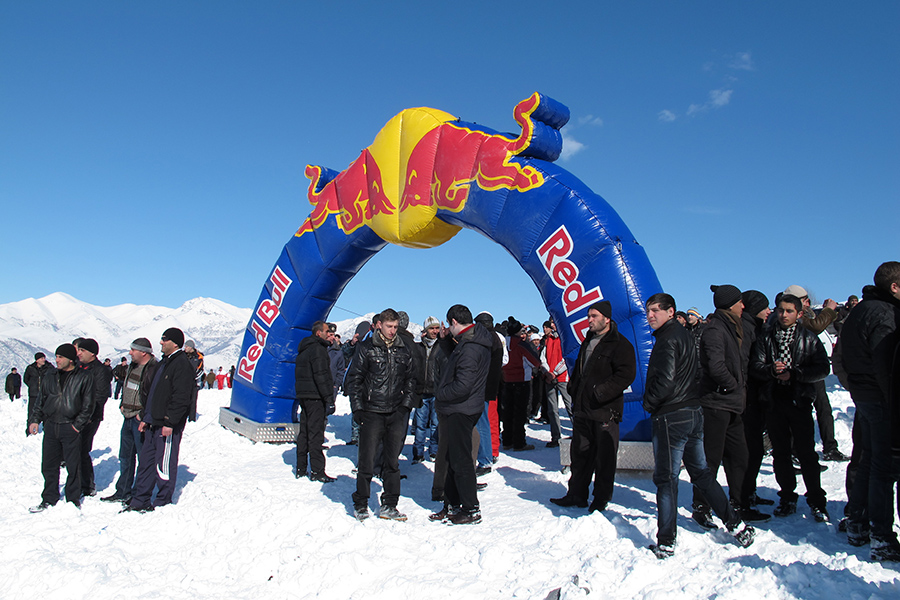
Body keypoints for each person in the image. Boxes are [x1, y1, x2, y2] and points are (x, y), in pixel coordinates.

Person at [643, 293, 753, 559]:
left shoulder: (668, 339)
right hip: (693, 412)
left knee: (666, 480)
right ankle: (736, 525)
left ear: (671, 312)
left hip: (671, 416)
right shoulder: (684, 335)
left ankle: (666, 541)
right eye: (648, 311)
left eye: (656, 310)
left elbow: (666, 380)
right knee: (702, 474)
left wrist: (649, 403)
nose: (650, 315)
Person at [839, 261, 900, 561]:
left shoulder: (862, 309)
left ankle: (858, 522)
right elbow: (884, 363)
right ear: (894, 287)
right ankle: (881, 536)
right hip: (880, 397)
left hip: (864, 393)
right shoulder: (885, 313)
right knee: (883, 467)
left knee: (866, 459)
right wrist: (892, 401)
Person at [751, 294, 831, 523]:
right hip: (774, 401)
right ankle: (787, 496)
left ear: (799, 313)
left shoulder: (809, 339)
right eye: (780, 310)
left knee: (806, 453)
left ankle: (816, 499)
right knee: (781, 453)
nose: (783, 315)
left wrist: (795, 374)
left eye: (789, 311)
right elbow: (755, 366)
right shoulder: (766, 338)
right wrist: (770, 370)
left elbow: (822, 368)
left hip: (799, 401)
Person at [550, 300, 636, 513]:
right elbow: (581, 370)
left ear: (607, 319)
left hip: (605, 411)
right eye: (589, 316)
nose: (589, 320)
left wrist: (601, 393)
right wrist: (574, 387)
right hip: (583, 409)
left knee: (604, 458)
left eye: (594, 316)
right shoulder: (588, 340)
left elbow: (626, 374)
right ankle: (576, 494)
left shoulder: (620, 343)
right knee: (580, 455)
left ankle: (600, 499)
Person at [691, 285, 757, 527]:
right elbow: (716, 366)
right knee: (711, 458)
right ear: (730, 304)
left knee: (739, 455)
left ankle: (738, 502)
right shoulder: (715, 330)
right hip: (716, 403)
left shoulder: (731, 327)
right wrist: (733, 385)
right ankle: (701, 506)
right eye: (740, 302)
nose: (743, 306)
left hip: (731, 404)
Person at [346, 309, 416, 521]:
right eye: (389, 326)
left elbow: (411, 380)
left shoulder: (403, 349)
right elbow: (355, 380)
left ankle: (390, 504)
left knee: (392, 462)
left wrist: (405, 407)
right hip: (372, 411)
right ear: (379, 325)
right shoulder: (366, 348)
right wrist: (358, 408)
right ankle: (361, 503)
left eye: (395, 327)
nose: (392, 331)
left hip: (396, 413)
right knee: (367, 461)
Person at [428, 304, 491, 525]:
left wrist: (440, 394)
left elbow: (463, 385)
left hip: (461, 408)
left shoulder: (471, 346)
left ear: (454, 321)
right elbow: (456, 360)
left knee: (461, 461)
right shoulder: (468, 341)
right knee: (452, 458)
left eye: (449, 325)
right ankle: (452, 504)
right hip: (461, 407)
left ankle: (471, 508)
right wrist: (446, 340)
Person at [123, 328, 194, 513]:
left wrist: (170, 422)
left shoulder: (181, 365)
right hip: (153, 422)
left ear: (175, 343)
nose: (161, 342)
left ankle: (163, 502)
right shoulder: (164, 363)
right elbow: (154, 394)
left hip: (167, 425)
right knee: (146, 462)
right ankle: (140, 499)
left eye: (165, 339)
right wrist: (146, 417)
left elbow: (181, 397)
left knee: (164, 463)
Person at [783, 284, 848, 461]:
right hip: (799, 370)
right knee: (800, 412)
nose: (808, 304)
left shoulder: (803, 315)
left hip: (811, 368)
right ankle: (797, 451)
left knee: (823, 408)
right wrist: (829, 310)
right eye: (805, 301)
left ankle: (829, 447)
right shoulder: (791, 317)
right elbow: (815, 327)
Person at [28, 344, 94, 512]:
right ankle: (49, 498)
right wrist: (35, 420)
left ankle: (73, 499)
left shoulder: (84, 377)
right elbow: (41, 400)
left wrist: (77, 426)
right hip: (51, 426)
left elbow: (88, 405)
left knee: (73, 465)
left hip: (70, 427)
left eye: (60, 357)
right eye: (56, 356)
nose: (56, 360)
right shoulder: (50, 375)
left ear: (70, 359)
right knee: (48, 465)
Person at [101, 338, 158, 504]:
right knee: (125, 456)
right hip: (127, 416)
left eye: (133, 350)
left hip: (139, 419)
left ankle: (138, 492)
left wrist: (144, 414)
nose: (130, 353)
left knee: (142, 458)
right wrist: (122, 403)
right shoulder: (133, 366)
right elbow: (128, 387)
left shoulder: (153, 369)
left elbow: (154, 395)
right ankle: (123, 490)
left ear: (143, 352)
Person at [738, 290, 776, 511]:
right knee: (750, 450)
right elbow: (745, 366)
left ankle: (749, 491)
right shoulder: (746, 329)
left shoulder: (757, 327)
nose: (768, 311)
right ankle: (743, 497)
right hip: (748, 399)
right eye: (764, 307)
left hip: (757, 397)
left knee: (756, 449)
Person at [294, 321, 336, 482]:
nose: (329, 333)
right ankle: (317, 471)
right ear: (319, 333)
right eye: (326, 331)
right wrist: (328, 398)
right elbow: (321, 375)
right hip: (315, 396)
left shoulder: (304, 348)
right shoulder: (318, 349)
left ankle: (301, 467)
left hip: (304, 395)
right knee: (316, 433)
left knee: (304, 432)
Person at [75, 338, 112, 497]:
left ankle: (87, 485)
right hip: (75, 415)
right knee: (74, 450)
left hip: (90, 417)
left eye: (82, 350)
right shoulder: (78, 366)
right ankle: (76, 482)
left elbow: (101, 395)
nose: (79, 353)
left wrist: (88, 414)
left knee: (82, 450)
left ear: (92, 353)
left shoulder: (100, 370)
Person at [501, 316, 541, 451]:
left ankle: (507, 440)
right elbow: (534, 361)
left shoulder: (503, 343)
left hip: (506, 379)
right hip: (522, 380)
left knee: (507, 412)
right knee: (520, 413)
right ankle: (519, 442)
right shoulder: (521, 344)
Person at [413, 316, 446, 464]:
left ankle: (434, 451)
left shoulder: (442, 346)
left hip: (436, 391)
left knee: (436, 425)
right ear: (426, 330)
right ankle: (418, 453)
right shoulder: (419, 347)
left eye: (437, 328)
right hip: (421, 391)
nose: (435, 331)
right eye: (432, 328)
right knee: (420, 425)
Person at [541, 317, 574, 449]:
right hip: (550, 378)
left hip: (562, 378)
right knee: (552, 409)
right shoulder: (548, 339)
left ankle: (578, 433)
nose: (552, 325)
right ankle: (555, 436)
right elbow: (543, 357)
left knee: (570, 406)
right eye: (551, 323)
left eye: (554, 322)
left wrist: (555, 372)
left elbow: (567, 357)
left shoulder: (565, 337)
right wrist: (547, 371)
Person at [23, 353, 55, 436]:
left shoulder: (49, 368)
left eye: (44, 358)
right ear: (37, 360)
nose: (43, 359)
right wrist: (32, 386)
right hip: (33, 394)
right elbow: (26, 379)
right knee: (31, 412)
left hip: (46, 394)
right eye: (41, 358)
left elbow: (54, 378)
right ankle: (30, 431)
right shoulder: (30, 368)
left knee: (46, 413)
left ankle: (47, 431)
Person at [183, 340, 205, 422]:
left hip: (193, 382)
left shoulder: (198, 357)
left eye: (186, 346)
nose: (185, 348)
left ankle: (192, 418)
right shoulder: (183, 355)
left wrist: (194, 378)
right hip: (183, 381)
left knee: (192, 400)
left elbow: (200, 370)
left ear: (191, 347)